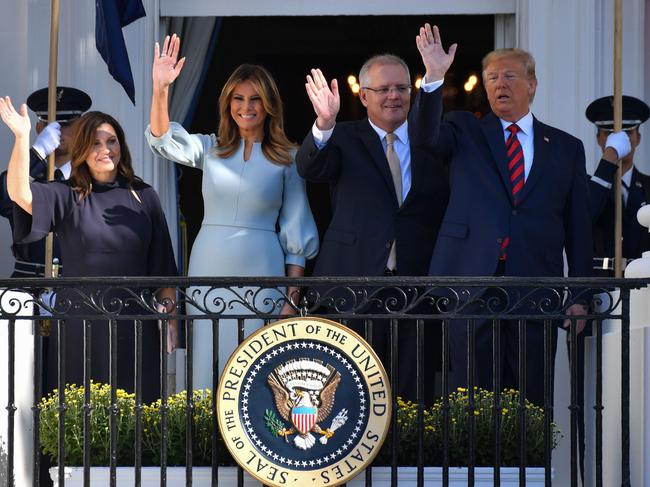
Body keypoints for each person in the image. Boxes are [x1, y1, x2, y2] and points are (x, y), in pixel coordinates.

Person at [414, 24, 592, 406]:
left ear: (532, 85)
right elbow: (426, 137)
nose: (500, 84)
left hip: (535, 282)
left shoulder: (565, 147)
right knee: (472, 393)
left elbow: (578, 227)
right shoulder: (464, 130)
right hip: (470, 280)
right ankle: (476, 466)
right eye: (492, 77)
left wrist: (579, 296)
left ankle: (529, 466)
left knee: (531, 392)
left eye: (510, 75)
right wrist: (433, 78)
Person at [146, 34, 319, 390]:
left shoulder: (289, 157)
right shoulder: (211, 148)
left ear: (269, 104)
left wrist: (291, 300)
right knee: (207, 357)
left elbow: (297, 232)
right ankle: (203, 441)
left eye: (255, 98)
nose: (247, 106)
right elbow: (162, 139)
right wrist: (160, 89)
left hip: (263, 266)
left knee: (259, 364)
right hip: (209, 261)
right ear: (228, 104)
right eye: (238, 98)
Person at [295, 33, 449, 403]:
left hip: (416, 283)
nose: (393, 96)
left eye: (400, 88)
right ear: (363, 96)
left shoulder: (434, 140)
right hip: (353, 282)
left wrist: (435, 78)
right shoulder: (344, 138)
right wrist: (325, 123)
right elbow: (310, 167)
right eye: (382, 89)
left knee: (413, 391)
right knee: (350, 389)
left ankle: (410, 459)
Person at [0, 99, 179, 403]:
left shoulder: (144, 195)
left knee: (140, 411)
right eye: (95, 143)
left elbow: (163, 265)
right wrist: (22, 139)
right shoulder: (67, 195)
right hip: (79, 323)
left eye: (111, 141)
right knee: (80, 413)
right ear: (82, 148)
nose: (105, 149)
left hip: (136, 319)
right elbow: (18, 193)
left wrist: (171, 320)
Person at [0, 86, 91, 277]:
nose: (56, 130)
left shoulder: (91, 177)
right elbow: (6, 198)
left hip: (76, 287)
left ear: (81, 128)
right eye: (48, 124)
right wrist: (36, 154)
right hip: (27, 286)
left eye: (64, 124)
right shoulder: (25, 175)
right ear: (39, 128)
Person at [586, 95, 650, 274]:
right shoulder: (586, 185)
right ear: (599, 138)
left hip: (642, 288)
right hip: (599, 289)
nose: (620, 140)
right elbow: (585, 215)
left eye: (627, 133)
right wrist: (610, 157)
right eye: (610, 134)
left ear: (638, 138)